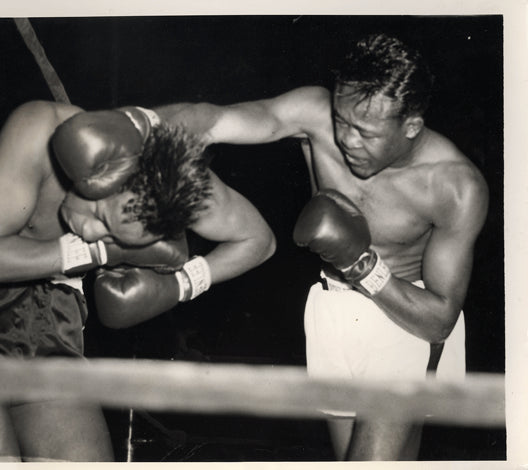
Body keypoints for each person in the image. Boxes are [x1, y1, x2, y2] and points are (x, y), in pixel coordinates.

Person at [158, 33, 489, 460]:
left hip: (405, 324)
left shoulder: (455, 185)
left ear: (411, 126)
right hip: (331, 311)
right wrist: (138, 125)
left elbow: (440, 320)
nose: (347, 140)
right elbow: (217, 120)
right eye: (342, 120)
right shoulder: (314, 115)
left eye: (366, 132)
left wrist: (361, 264)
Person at [0, 101, 276, 462]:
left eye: (113, 236)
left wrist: (181, 283)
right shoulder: (40, 127)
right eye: (100, 213)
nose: (90, 231)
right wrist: (103, 253)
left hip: (54, 313)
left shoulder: (177, 186)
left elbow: (258, 241)